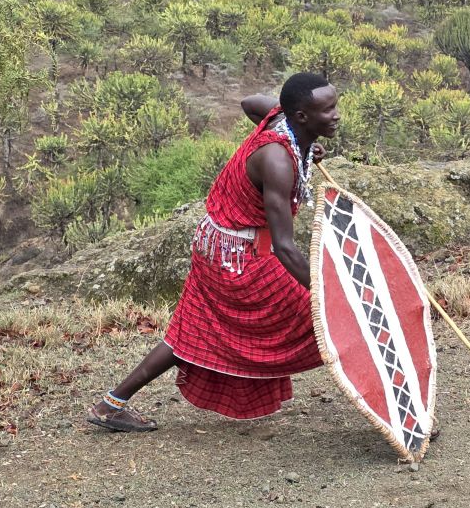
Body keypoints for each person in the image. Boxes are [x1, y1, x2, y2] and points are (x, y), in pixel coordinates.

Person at [86, 72, 339, 431]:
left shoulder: (281, 122)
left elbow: (251, 102)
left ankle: (110, 405)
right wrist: (329, 289)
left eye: (334, 106)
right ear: (301, 116)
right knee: (329, 317)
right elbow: (284, 247)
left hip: (215, 245)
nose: (336, 115)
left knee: (191, 333)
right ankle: (391, 407)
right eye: (327, 110)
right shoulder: (278, 161)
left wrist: (304, 144)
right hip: (239, 259)